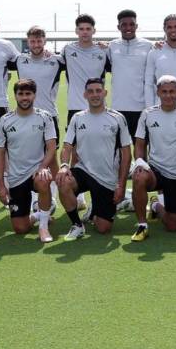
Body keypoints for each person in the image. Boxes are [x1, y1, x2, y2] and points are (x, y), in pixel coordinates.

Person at [57, 77, 133, 239]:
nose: (95, 94)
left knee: (103, 228)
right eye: (90, 91)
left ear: (105, 93)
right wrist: (64, 165)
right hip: (83, 171)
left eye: (98, 91)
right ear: (85, 95)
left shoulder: (118, 118)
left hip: (107, 178)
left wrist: (121, 185)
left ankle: (107, 205)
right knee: (63, 180)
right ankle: (77, 225)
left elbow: (126, 154)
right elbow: (67, 147)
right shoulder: (77, 118)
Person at [130, 75, 176, 241]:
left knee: (173, 226)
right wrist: (140, 163)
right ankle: (142, 226)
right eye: (164, 92)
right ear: (158, 93)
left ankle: (155, 205)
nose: (168, 95)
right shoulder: (147, 115)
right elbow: (140, 144)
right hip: (156, 171)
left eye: (172, 92)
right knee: (139, 176)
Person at [0, 78, 59, 242]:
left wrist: (43, 167)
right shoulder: (5, 120)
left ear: (34, 95)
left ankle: (43, 228)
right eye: (20, 94)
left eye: (28, 93)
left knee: (43, 180)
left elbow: (51, 147)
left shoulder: (45, 117)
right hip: (16, 177)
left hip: (37, 172)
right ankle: (38, 215)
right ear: (15, 96)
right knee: (20, 229)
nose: (24, 97)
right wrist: (1, 185)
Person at [107, 9, 155, 137]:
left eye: (131, 24)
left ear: (136, 26)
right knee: (120, 150)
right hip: (117, 108)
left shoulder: (149, 46)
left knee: (140, 149)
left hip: (141, 108)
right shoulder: (111, 46)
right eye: (124, 24)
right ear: (118, 27)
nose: (128, 28)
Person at [61, 13, 109, 128]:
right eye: (81, 29)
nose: (85, 32)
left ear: (94, 30)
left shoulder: (104, 50)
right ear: (76, 31)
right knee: (74, 145)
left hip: (98, 106)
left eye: (88, 29)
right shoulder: (67, 49)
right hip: (75, 107)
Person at [14, 26, 65, 129]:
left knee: (51, 146)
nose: (36, 45)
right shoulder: (19, 60)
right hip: (25, 115)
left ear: (44, 41)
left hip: (49, 115)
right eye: (32, 41)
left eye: (39, 41)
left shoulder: (57, 61)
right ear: (28, 42)